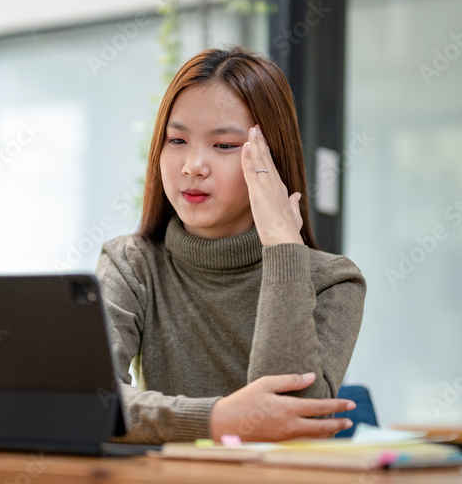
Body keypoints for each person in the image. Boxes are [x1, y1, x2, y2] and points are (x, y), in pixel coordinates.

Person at [96, 45, 366, 444]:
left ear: (271, 159)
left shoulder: (334, 280)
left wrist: (282, 249)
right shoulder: (130, 264)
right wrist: (218, 419)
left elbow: (290, 426)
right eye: (177, 140)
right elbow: (94, 400)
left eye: (223, 145)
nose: (193, 165)